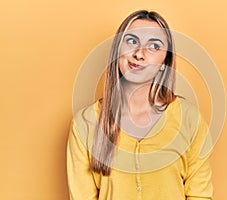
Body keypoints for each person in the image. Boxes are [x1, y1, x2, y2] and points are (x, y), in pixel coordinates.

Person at [67, 10, 213, 200]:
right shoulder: (85, 124)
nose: (139, 54)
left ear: (164, 62)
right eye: (132, 41)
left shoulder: (190, 119)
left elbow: (199, 195)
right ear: (117, 51)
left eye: (153, 46)